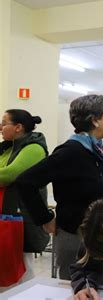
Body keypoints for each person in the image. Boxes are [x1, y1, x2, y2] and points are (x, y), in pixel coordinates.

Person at [15, 94, 103, 280]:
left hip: (99, 236)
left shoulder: (95, 152)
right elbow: (25, 182)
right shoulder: (70, 152)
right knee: (75, 290)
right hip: (75, 237)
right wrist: (45, 219)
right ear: (94, 120)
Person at [0, 109, 49, 282]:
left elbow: (7, 176)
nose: (0, 127)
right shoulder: (7, 148)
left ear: (18, 127)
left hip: (24, 217)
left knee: (22, 267)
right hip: (7, 216)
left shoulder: (34, 149)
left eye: (4, 123)